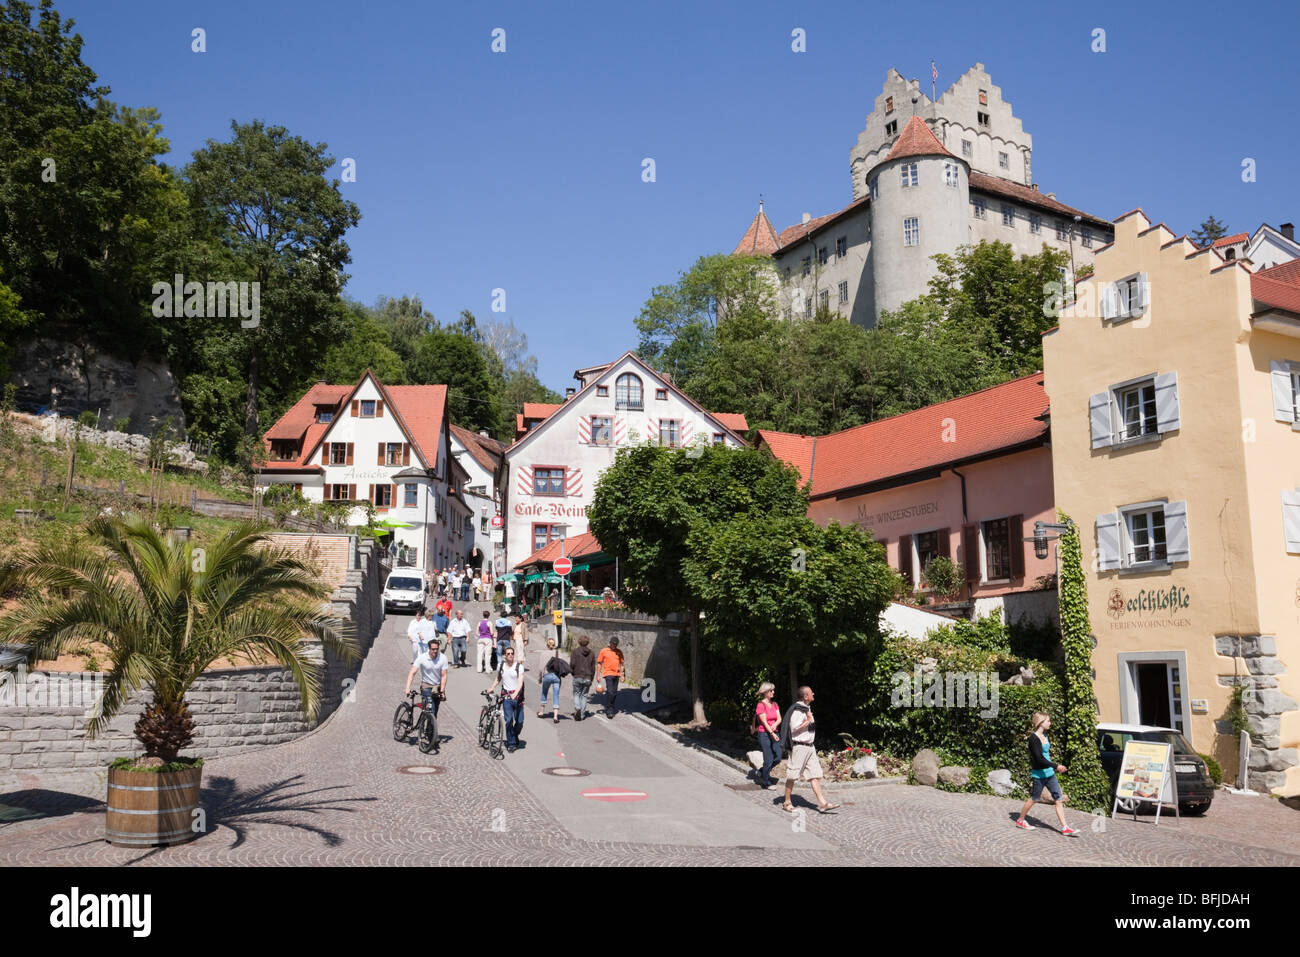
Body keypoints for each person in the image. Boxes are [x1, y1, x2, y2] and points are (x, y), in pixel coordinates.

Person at [1016, 712, 1078, 835]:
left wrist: (1054, 768)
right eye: (1048, 721)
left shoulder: (1045, 735)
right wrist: (1057, 766)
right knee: (1034, 798)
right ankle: (1020, 819)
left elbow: (1046, 756)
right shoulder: (1033, 739)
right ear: (1041, 722)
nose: (1050, 723)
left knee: (1058, 799)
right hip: (1039, 775)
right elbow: (1039, 759)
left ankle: (1065, 827)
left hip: (1050, 774)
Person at [780, 686, 839, 814]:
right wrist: (807, 721)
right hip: (799, 746)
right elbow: (794, 728)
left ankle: (822, 803)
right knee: (793, 775)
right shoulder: (797, 710)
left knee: (814, 775)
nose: (813, 693)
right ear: (805, 696)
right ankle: (787, 802)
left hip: (810, 747)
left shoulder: (806, 708)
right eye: (811, 692)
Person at [403, 638, 449, 752]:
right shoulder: (422, 658)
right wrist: (407, 687)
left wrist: (442, 691)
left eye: (437, 649)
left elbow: (444, 675)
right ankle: (431, 736)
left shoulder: (442, 658)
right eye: (433, 649)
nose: (435, 651)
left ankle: (430, 731)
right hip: (426, 686)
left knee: (435, 712)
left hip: (437, 686)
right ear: (429, 649)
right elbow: (412, 672)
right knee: (431, 709)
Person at [487, 646, 526, 752]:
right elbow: (498, 678)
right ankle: (511, 743)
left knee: (520, 721)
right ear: (505, 655)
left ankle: (513, 735)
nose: (510, 655)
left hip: (517, 697)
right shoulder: (501, 666)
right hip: (506, 697)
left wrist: (516, 693)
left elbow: (520, 682)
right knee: (508, 720)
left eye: (512, 653)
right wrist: (492, 687)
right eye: (508, 654)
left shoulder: (519, 667)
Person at [753, 682, 782, 787]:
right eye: (771, 690)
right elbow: (764, 722)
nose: (773, 692)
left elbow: (779, 718)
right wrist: (771, 732)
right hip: (764, 734)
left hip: (775, 732)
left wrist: (775, 724)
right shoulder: (760, 705)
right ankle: (765, 781)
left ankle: (762, 771)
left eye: (773, 690)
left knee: (778, 757)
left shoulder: (775, 704)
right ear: (765, 692)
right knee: (768, 758)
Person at [538, 639, 569, 723]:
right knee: (556, 695)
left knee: (544, 693)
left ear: (547, 645)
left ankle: (541, 712)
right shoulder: (558, 653)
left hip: (547, 676)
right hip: (556, 676)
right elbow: (561, 665)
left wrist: (540, 678)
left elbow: (541, 668)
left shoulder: (543, 653)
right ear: (554, 645)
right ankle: (555, 716)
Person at [595, 636, 626, 718]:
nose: (615, 645)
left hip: (617, 674)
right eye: (613, 644)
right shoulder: (604, 651)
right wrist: (598, 676)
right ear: (610, 643)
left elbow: (622, 664)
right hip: (607, 673)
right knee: (610, 691)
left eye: (616, 644)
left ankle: (611, 706)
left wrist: (623, 675)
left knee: (615, 693)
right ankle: (609, 709)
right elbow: (599, 663)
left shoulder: (619, 652)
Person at [569, 634, 596, 720]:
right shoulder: (591, 653)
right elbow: (593, 668)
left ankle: (578, 708)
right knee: (584, 696)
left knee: (576, 694)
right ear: (587, 643)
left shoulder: (575, 652)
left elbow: (572, 664)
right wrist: (591, 679)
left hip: (577, 675)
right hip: (587, 677)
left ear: (579, 642)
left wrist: (573, 673)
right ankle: (582, 715)